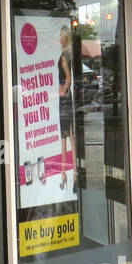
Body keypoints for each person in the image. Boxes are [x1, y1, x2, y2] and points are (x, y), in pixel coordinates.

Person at [56, 25, 76, 191]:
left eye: (61, 37)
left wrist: (63, 90)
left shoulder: (64, 55)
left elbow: (67, 76)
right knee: (71, 136)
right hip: (69, 98)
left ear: (65, 38)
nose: (59, 40)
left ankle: (64, 174)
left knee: (64, 137)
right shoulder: (70, 54)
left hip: (64, 99)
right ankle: (74, 173)